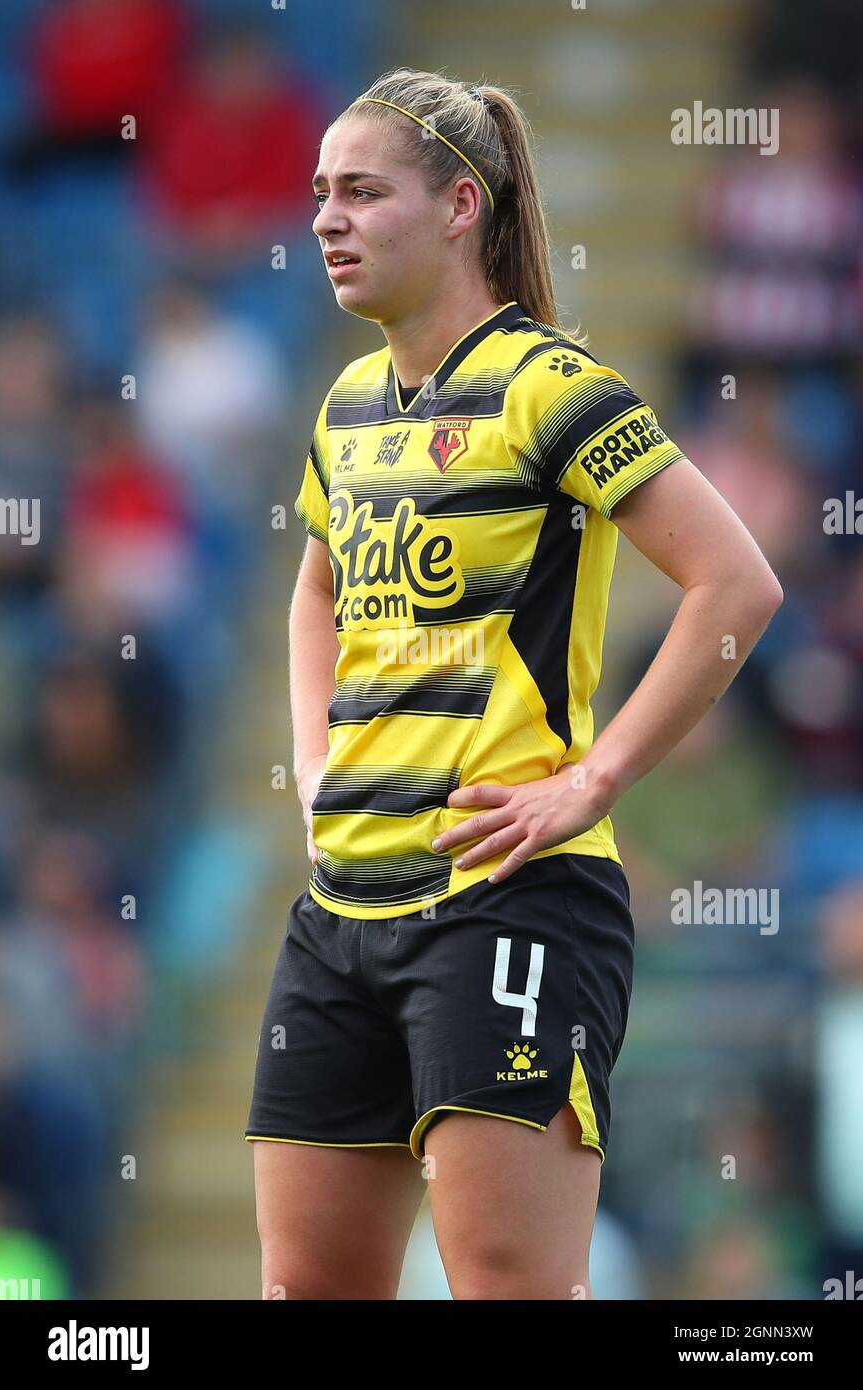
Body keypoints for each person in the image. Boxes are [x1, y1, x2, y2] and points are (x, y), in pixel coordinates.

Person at [245, 66, 783, 1301]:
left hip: (509, 898)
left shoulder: (554, 388)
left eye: (362, 191)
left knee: (508, 1286)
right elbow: (315, 591)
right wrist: (318, 767)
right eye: (319, 193)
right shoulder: (343, 408)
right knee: (302, 1289)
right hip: (343, 908)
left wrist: (592, 778)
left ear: (458, 208)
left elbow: (734, 584)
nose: (325, 217)